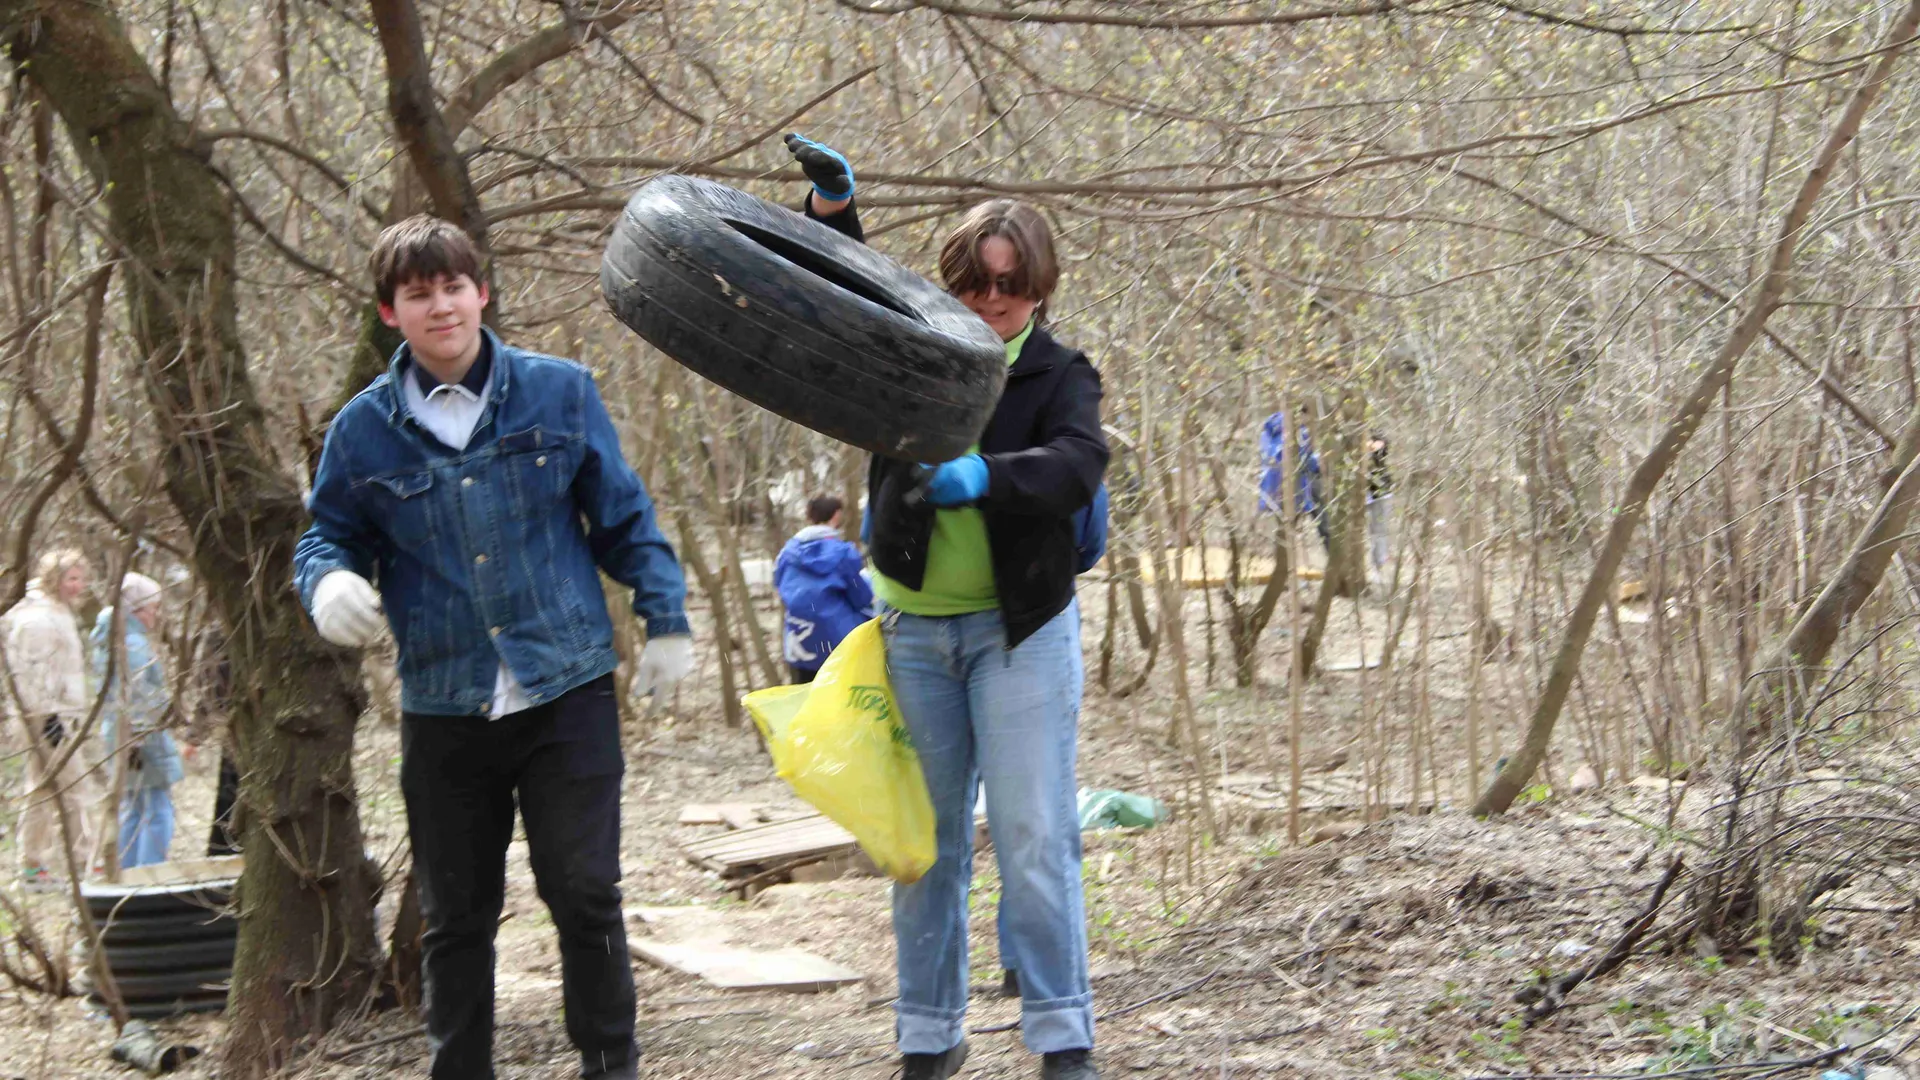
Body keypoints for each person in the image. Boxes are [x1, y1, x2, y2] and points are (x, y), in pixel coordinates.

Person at [293, 216, 693, 1080]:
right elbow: (324, 537)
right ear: (390, 313)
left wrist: (667, 618)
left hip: (567, 689)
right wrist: (326, 581)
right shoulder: (361, 433)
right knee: (458, 916)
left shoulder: (560, 393)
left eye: (453, 286)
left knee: (584, 893)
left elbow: (623, 518)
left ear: (481, 292)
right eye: (417, 293)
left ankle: (611, 1068)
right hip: (446, 705)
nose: (440, 306)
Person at [791, 133, 1108, 1080]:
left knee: (1033, 838)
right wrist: (835, 216)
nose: (990, 300)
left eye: (1009, 284)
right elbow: (853, 296)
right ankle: (928, 1036)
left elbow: (1079, 463)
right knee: (921, 849)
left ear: (1039, 287)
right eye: (974, 282)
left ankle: (1063, 1037)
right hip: (913, 635)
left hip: (1020, 637)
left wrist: (989, 477)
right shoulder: (916, 348)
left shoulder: (1060, 374)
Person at [3, 548, 101, 888]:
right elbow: (31, 676)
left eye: (81, 578)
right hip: (43, 717)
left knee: (43, 790)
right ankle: (84, 864)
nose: (78, 586)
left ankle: (34, 866)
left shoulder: (58, 611)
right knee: (74, 789)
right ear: (53, 578)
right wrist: (49, 720)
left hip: (58, 714)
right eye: (70, 578)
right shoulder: (37, 618)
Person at [92, 572, 182, 871]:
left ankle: (126, 871)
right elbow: (138, 696)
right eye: (153, 609)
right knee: (157, 810)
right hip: (141, 739)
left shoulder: (110, 641)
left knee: (132, 809)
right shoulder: (132, 645)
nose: (156, 616)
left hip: (119, 736)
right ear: (136, 610)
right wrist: (154, 725)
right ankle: (149, 874)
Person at [774, 495, 873, 684]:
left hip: (799, 645)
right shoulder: (844, 553)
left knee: (805, 701)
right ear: (836, 516)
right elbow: (861, 598)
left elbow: (779, 584)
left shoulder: (787, 553)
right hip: (838, 645)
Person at [1258, 410, 1324, 546]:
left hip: (1272, 487)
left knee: (1283, 526)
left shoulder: (1267, 433)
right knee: (1294, 524)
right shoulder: (1299, 433)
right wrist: (1318, 464)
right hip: (1295, 485)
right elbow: (1306, 458)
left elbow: (1266, 457)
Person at [1367, 434, 1393, 573]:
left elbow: (1384, 445)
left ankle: (1378, 564)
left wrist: (1374, 445)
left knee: (1379, 529)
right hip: (1361, 493)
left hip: (1380, 492)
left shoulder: (1375, 438)